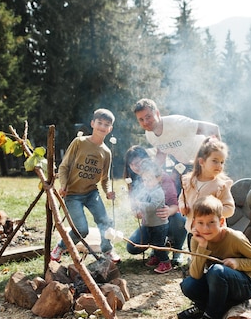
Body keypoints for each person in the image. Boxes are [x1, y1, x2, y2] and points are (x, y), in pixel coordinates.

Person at [177, 195, 251, 319]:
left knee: (216, 271)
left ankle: (212, 317)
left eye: (211, 222)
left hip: (243, 284)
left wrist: (237, 263)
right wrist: (202, 247)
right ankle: (202, 307)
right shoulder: (197, 239)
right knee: (188, 285)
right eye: (200, 222)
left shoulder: (235, 237)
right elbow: (196, 274)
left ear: (221, 221)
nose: (206, 228)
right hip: (218, 283)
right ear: (194, 223)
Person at [50, 108, 120, 263]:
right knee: (81, 229)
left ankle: (107, 250)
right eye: (99, 123)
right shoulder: (79, 142)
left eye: (106, 124)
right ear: (92, 123)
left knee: (105, 222)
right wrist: (64, 185)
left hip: (91, 193)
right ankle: (61, 247)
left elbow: (105, 178)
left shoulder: (106, 152)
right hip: (73, 194)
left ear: (110, 129)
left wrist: (108, 191)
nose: (102, 127)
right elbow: (64, 166)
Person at [133, 98, 221, 194]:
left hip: (203, 163)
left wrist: (218, 159)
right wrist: (152, 171)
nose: (145, 122)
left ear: (157, 113)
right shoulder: (149, 135)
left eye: (148, 117)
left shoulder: (178, 123)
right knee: (181, 198)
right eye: (141, 120)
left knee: (208, 199)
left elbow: (214, 129)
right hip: (183, 165)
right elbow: (162, 151)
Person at [123, 145, 187, 266]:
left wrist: (169, 211)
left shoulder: (161, 177)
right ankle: (158, 249)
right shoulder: (133, 181)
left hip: (167, 219)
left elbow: (175, 204)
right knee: (132, 247)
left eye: (138, 162)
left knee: (180, 220)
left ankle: (177, 250)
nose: (136, 166)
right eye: (132, 164)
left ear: (146, 160)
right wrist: (137, 212)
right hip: (150, 222)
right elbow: (135, 208)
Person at [178, 138, 235, 239]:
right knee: (195, 254)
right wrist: (183, 206)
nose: (219, 165)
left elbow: (230, 209)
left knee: (208, 255)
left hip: (213, 235)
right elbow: (182, 198)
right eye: (215, 161)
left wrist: (210, 212)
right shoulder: (189, 181)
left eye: (222, 162)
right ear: (202, 162)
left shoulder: (221, 186)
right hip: (193, 232)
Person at [125, 159, 173, 274]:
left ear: (158, 178)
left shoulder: (158, 192)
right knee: (153, 243)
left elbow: (152, 206)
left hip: (159, 225)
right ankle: (157, 257)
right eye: (145, 179)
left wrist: (139, 204)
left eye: (150, 179)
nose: (147, 182)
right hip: (149, 223)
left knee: (158, 244)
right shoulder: (146, 190)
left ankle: (166, 262)